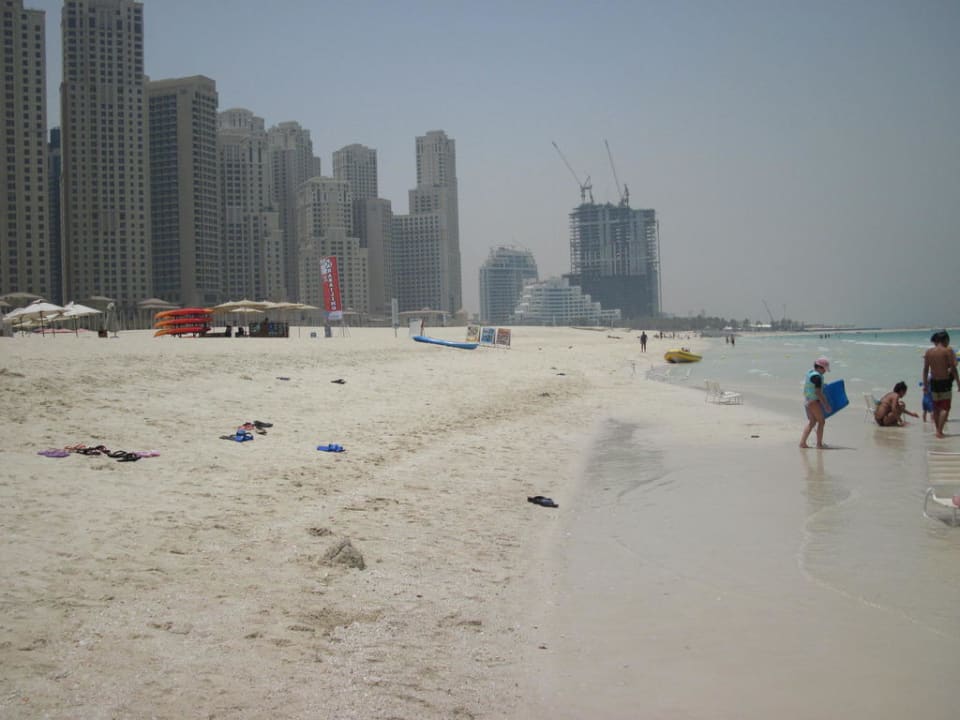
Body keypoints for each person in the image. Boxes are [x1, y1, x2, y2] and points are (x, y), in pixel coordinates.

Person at [923, 330, 958, 439]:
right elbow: (953, 368)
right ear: (945, 340)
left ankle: (938, 431)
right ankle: (939, 431)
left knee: (937, 407)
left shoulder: (928, 352)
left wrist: (925, 385)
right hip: (945, 382)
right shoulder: (947, 351)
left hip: (933, 382)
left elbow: (925, 370)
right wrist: (959, 383)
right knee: (945, 408)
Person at [800, 357, 832, 449]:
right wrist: (826, 404)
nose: (825, 372)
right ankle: (819, 444)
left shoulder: (810, 373)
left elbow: (812, 386)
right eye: (824, 369)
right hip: (813, 401)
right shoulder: (818, 377)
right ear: (819, 368)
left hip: (807, 400)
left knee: (812, 422)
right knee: (821, 421)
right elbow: (818, 392)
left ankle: (802, 443)